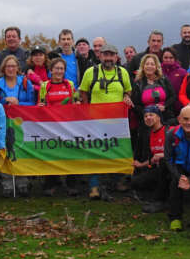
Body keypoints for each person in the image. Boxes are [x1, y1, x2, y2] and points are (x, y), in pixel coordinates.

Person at [79, 44, 133, 199]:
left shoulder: (122, 72)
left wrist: (126, 97)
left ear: (116, 57)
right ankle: (94, 186)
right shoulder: (91, 72)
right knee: (95, 152)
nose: (108, 58)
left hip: (117, 121)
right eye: (105, 55)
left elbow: (128, 90)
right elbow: (83, 91)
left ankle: (117, 181)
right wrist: (86, 109)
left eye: (111, 55)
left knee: (117, 151)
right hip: (96, 121)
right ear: (100, 56)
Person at [38, 57, 78, 196]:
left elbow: (75, 101)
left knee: (70, 154)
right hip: (51, 126)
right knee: (52, 154)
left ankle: (71, 184)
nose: (59, 71)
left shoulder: (70, 84)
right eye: (56, 68)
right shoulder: (45, 86)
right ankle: (51, 183)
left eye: (61, 69)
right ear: (51, 70)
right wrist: (40, 106)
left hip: (68, 125)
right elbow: (40, 103)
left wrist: (77, 104)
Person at [131, 106, 170, 212]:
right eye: (145, 116)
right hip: (158, 169)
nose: (148, 118)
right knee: (135, 182)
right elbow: (153, 159)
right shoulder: (150, 134)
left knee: (163, 162)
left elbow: (180, 152)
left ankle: (160, 200)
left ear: (159, 117)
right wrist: (140, 164)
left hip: (173, 169)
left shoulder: (169, 131)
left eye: (151, 115)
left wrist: (163, 155)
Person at [131, 54, 175, 124]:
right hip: (147, 120)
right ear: (143, 66)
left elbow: (173, 96)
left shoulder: (163, 79)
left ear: (156, 67)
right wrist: (147, 111)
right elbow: (135, 104)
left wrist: (165, 106)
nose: (149, 66)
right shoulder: (137, 83)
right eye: (147, 64)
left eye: (152, 64)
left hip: (166, 117)